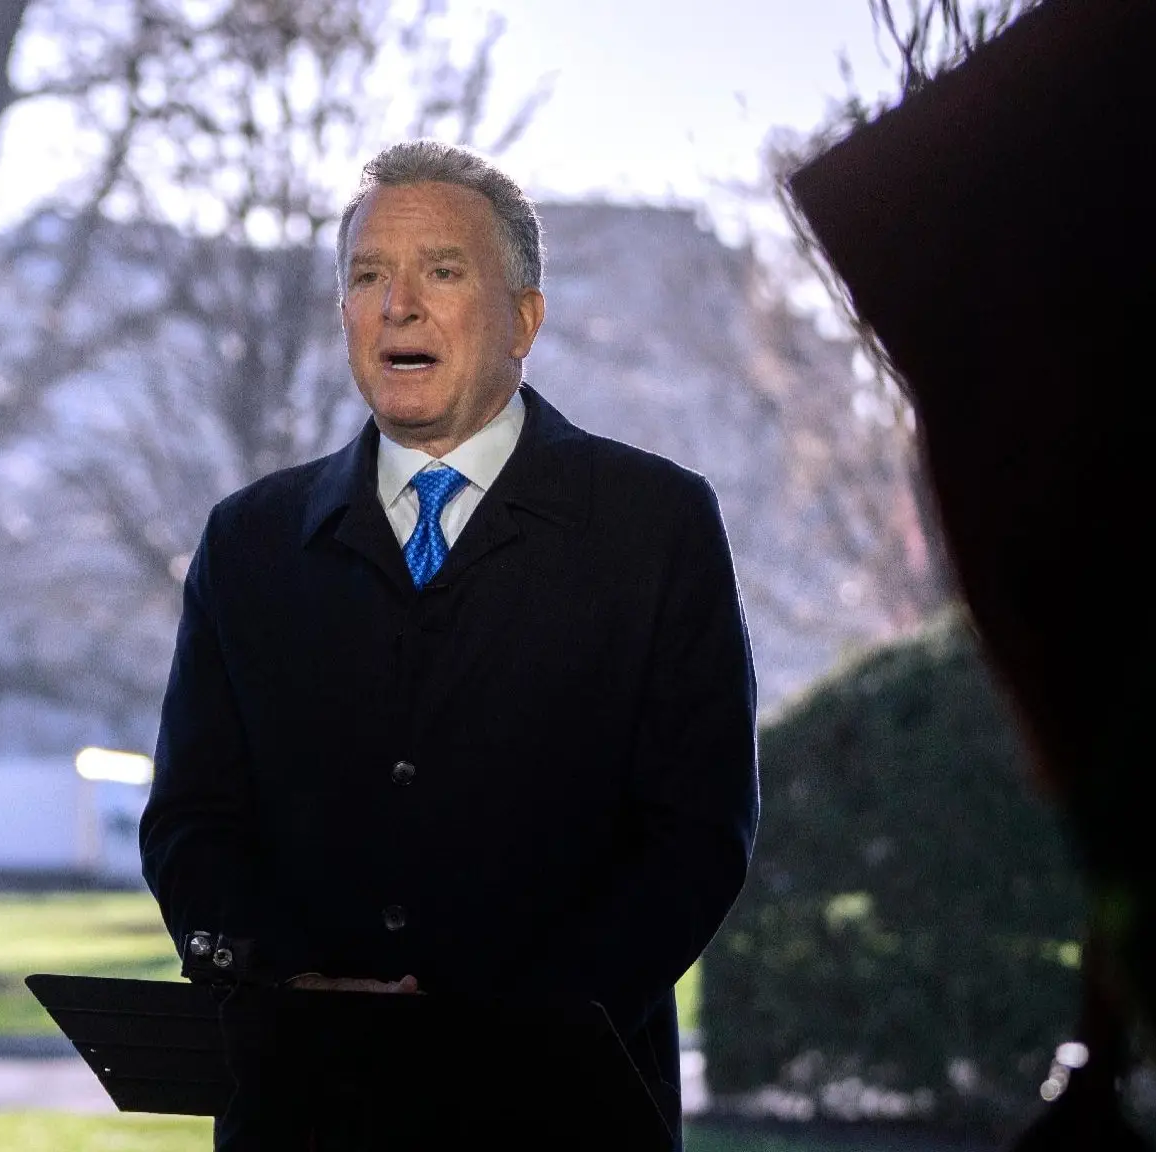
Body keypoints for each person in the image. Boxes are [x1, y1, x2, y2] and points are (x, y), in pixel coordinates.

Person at [139, 140, 760, 1149]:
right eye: (367, 277)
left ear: (524, 318)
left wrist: (511, 1026)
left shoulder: (655, 526)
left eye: (441, 272)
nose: (398, 306)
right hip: (303, 1116)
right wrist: (293, 978)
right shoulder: (247, 540)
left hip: (562, 1117)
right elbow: (191, 822)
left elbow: (696, 835)